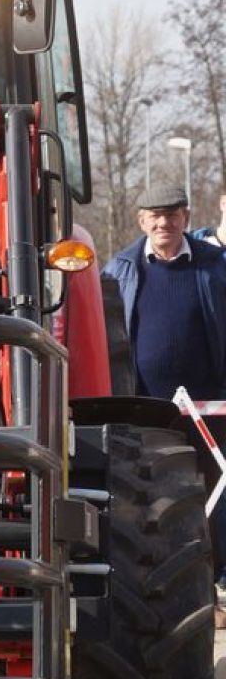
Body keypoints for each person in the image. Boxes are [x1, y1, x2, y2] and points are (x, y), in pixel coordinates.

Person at [102, 184, 226, 603]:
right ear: (141, 221)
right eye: (154, 215)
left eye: (172, 215)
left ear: (186, 219)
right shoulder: (120, 270)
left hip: (211, 413)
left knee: (212, 501)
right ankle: (155, 594)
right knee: (147, 507)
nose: (163, 223)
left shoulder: (215, 267)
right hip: (146, 414)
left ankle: (208, 589)